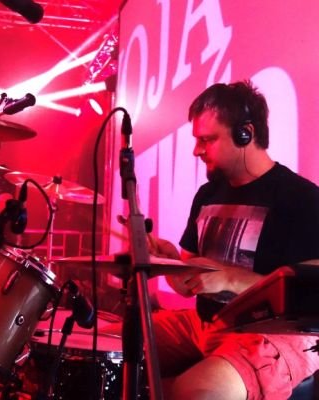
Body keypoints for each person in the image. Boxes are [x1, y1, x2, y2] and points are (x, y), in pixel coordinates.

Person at [135, 80, 319, 399]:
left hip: (274, 334)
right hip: (206, 323)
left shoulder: (301, 198)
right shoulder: (208, 194)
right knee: (107, 347)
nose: (196, 150)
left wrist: (232, 278)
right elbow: (189, 284)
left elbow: (311, 296)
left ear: (245, 133)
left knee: (195, 390)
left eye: (207, 139)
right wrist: (169, 262)